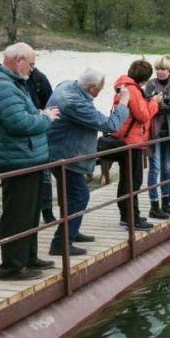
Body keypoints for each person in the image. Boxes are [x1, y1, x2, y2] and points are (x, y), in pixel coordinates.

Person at [0, 43, 59, 281]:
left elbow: (23, 116)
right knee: (18, 215)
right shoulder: (4, 87)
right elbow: (19, 124)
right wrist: (46, 118)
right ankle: (12, 268)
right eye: (31, 64)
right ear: (18, 60)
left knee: (29, 212)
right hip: (17, 160)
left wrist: (37, 114)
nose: (32, 69)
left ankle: (28, 257)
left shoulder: (11, 82)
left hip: (25, 158)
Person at [46, 68, 129, 256]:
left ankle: (71, 231)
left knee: (72, 196)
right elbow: (110, 125)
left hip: (59, 151)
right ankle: (60, 244)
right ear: (91, 87)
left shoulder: (67, 84)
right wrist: (123, 103)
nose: (101, 90)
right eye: (100, 87)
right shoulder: (74, 102)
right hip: (65, 156)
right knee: (80, 196)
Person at [113, 59, 163, 231]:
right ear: (145, 78)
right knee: (133, 181)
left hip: (125, 138)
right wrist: (154, 102)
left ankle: (126, 216)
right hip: (133, 140)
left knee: (125, 179)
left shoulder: (124, 86)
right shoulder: (133, 90)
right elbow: (142, 115)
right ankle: (132, 219)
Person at [144, 57, 170, 219]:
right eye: (158, 69)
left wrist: (159, 104)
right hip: (154, 132)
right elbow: (147, 104)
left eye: (163, 69)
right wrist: (164, 104)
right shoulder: (150, 84)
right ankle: (154, 204)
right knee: (155, 167)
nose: (160, 72)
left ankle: (165, 201)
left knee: (167, 167)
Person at [27, 67, 56, 224]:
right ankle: (35, 214)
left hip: (40, 133)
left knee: (44, 176)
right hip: (28, 133)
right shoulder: (10, 82)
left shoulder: (39, 79)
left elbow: (50, 104)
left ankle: (47, 211)